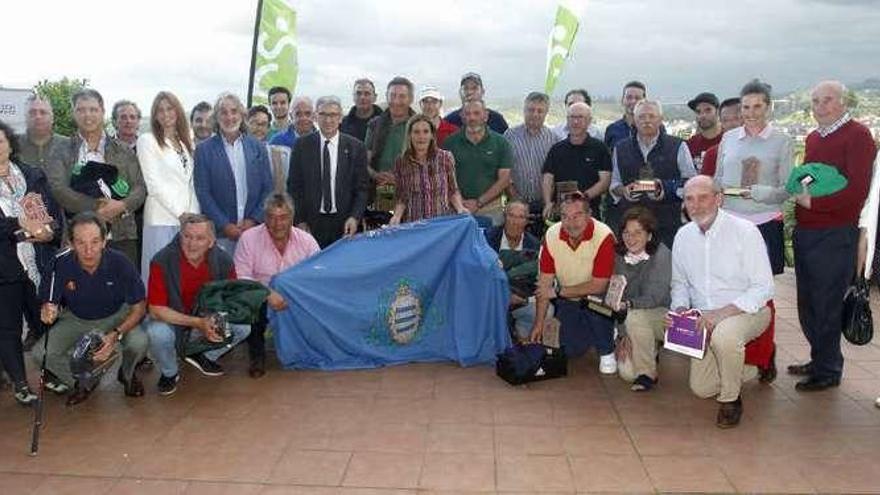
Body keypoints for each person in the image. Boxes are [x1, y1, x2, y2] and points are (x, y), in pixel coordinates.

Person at [789, 80, 877, 392]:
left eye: (827, 100)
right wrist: (800, 190)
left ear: (843, 103)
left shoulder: (858, 136)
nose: (820, 106)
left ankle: (827, 369)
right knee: (808, 302)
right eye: (815, 101)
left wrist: (814, 202)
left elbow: (857, 191)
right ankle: (821, 358)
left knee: (826, 303)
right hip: (807, 231)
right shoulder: (814, 137)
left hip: (835, 233)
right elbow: (811, 175)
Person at [671, 176, 774, 428]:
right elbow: (680, 284)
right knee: (701, 388)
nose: (696, 205)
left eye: (703, 197)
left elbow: (763, 288)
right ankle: (758, 365)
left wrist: (720, 315)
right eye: (689, 199)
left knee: (724, 337)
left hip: (748, 309)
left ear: (719, 199)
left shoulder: (745, 232)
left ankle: (731, 400)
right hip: (705, 316)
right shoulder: (683, 236)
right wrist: (681, 312)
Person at [33, 212, 149, 406]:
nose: (88, 250)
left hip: (117, 315)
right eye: (80, 243)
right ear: (71, 243)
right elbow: (49, 299)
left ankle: (127, 374)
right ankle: (84, 381)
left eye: (95, 242)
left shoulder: (120, 262)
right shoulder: (59, 262)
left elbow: (140, 307)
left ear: (104, 241)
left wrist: (115, 335)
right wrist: (47, 309)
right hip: (78, 317)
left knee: (139, 343)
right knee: (41, 354)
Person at [145, 213, 251, 395]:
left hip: (205, 317)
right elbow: (155, 310)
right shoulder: (162, 260)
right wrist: (198, 323)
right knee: (157, 332)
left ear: (211, 242)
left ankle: (201, 354)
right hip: (173, 319)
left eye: (200, 238)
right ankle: (170, 372)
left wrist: (214, 319)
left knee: (243, 327)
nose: (192, 244)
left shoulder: (223, 261)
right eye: (187, 236)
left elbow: (231, 299)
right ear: (180, 236)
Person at [46, 88, 146, 265]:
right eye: (81, 110)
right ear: (74, 114)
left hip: (121, 235)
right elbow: (58, 188)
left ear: (103, 112)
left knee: (122, 290)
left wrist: (122, 205)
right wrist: (97, 207)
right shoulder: (61, 150)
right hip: (77, 237)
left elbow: (140, 187)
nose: (87, 115)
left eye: (93, 109)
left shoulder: (123, 150)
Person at [0, 120, 60, 405]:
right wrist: (20, 226)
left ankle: (50, 373)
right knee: (8, 327)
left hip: (38, 262)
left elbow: (50, 211)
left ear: (10, 144)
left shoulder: (31, 174)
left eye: (0, 140)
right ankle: (21, 383)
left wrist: (50, 232)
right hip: (4, 268)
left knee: (43, 319)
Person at [529, 192, 617, 372]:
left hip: (600, 300)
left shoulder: (604, 236)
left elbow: (599, 285)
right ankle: (595, 333)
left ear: (589, 214)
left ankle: (607, 348)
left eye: (577, 216)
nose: (571, 222)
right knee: (570, 349)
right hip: (568, 300)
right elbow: (544, 286)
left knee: (595, 308)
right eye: (565, 217)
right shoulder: (551, 235)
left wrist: (558, 291)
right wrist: (538, 324)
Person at [234, 193, 319, 378]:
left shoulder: (307, 241)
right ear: (264, 218)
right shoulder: (248, 239)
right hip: (261, 297)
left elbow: (317, 277)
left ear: (292, 218)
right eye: (271, 217)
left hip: (295, 299)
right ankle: (257, 356)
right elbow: (240, 277)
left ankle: (308, 349)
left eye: (283, 217)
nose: (277, 223)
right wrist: (266, 293)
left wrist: (295, 294)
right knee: (251, 303)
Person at [715, 80, 793, 275]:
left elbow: (788, 188)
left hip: (765, 223)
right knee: (728, 281)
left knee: (762, 289)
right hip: (730, 220)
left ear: (768, 107)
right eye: (746, 107)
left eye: (757, 106)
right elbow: (718, 178)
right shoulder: (728, 138)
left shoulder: (783, 141)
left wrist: (763, 193)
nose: (751, 113)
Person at [608, 99, 696, 247]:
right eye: (641, 117)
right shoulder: (620, 148)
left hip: (668, 223)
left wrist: (664, 188)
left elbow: (691, 183)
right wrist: (624, 191)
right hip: (632, 226)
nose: (646, 121)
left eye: (651, 116)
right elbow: (615, 184)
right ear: (634, 120)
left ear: (661, 119)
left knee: (666, 268)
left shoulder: (678, 145)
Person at [194, 92, 273, 253]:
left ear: (242, 114)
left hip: (254, 231)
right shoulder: (204, 150)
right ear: (216, 117)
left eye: (234, 111)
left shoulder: (257, 147)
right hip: (220, 234)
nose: (229, 117)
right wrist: (225, 225)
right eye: (223, 112)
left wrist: (253, 220)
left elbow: (268, 188)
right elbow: (203, 193)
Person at [288, 96, 369, 248]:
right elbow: (294, 187)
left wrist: (354, 217)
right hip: (311, 224)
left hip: (345, 223)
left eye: (333, 115)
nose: (328, 120)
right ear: (315, 117)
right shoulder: (301, 146)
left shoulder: (356, 147)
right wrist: (300, 220)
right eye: (323, 114)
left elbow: (362, 189)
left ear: (340, 118)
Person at [137, 91, 198, 284]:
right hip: (162, 219)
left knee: (185, 277)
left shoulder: (186, 140)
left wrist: (193, 215)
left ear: (178, 110)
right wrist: (180, 213)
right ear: (154, 115)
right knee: (161, 278)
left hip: (190, 220)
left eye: (170, 108)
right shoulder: (147, 141)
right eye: (160, 110)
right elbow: (153, 184)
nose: (165, 114)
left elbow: (190, 182)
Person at [612, 207, 671, 391]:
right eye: (626, 233)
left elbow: (655, 297)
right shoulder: (618, 257)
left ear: (650, 235)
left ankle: (647, 371)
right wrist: (622, 336)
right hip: (632, 318)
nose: (631, 238)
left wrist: (628, 305)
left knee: (635, 315)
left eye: (638, 232)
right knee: (627, 374)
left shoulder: (661, 254)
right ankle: (647, 357)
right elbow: (615, 300)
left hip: (664, 316)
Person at [442, 99, 512, 226]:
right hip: (457, 209)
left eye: (476, 113)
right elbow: (443, 177)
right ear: (462, 117)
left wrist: (479, 202)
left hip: (491, 209)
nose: (472, 118)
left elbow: (505, 179)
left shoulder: (501, 143)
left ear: (485, 116)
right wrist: (461, 203)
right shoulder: (449, 143)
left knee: (490, 244)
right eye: (467, 114)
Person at [389, 114, 467, 225]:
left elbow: (453, 190)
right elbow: (401, 196)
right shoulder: (401, 162)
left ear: (432, 135)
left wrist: (460, 208)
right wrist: (396, 217)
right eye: (416, 132)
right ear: (409, 135)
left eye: (426, 132)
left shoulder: (445, 157)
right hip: (415, 224)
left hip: (441, 223)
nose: (421, 136)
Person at [484, 200, 544, 341]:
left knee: (547, 312)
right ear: (504, 217)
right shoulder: (488, 237)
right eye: (511, 216)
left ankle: (521, 343)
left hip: (521, 299)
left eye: (521, 217)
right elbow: (480, 274)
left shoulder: (534, 245)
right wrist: (504, 295)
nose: (515, 222)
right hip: (492, 296)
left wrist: (524, 298)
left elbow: (538, 280)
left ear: (527, 221)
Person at [542, 102, 611, 219]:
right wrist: (548, 202)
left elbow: (605, 182)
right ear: (567, 120)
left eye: (580, 117)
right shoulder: (556, 149)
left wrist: (582, 198)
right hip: (561, 213)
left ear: (589, 121)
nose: (575, 122)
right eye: (572, 117)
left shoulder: (600, 148)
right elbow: (548, 178)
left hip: (589, 213)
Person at [503, 92, 558, 212]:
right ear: (524, 110)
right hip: (516, 202)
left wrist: (548, 202)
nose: (535, 114)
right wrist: (515, 199)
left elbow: (555, 174)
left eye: (540, 111)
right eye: (531, 110)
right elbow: (504, 171)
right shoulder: (509, 136)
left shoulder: (553, 139)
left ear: (546, 113)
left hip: (544, 204)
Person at [365, 77, 416, 186]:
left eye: (402, 96)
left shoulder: (420, 126)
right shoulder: (374, 125)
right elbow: (365, 162)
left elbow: (428, 164)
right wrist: (376, 176)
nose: (397, 101)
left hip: (412, 191)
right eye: (392, 95)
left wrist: (400, 179)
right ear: (386, 96)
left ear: (411, 99)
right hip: (380, 190)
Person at [444, 72, 509, 134]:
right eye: (465, 88)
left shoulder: (497, 120)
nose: (469, 92)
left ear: (482, 92)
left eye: (474, 88)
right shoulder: (449, 121)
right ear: (460, 93)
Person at [17, 95, 70, 170]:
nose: (38, 116)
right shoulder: (11, 146)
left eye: (43, 112)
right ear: (25, 117)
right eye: (32, 112)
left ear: (52, 118)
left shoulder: (69, 146)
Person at [698, 98, 742, 177]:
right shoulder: (713, 154)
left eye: (737, 118)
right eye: (725, 120)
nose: (731, 124)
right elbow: (705, 185)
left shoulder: (766, 148)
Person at [604, 81, 647, 149]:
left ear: (645, 102)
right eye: (629, 97)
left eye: (637, 98)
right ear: (622, 100)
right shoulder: (612, 129)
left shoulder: (655, 128)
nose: (633, 101)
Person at [686, 92, 722, 171]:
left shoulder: (728, 141)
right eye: (698, 112)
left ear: (718, 112)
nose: (703, 115)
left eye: (708, 110)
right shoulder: (689, 145)